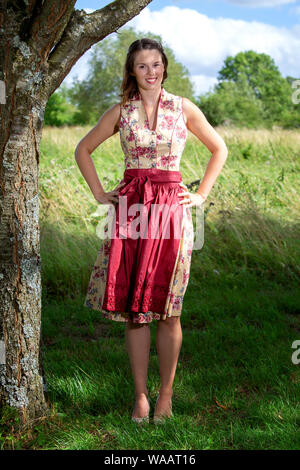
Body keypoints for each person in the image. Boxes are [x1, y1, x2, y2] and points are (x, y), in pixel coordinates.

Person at [75, 38, 228, 424]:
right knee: (136, 312)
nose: (151, 72)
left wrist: (201, 195)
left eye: (156, 64)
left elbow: (219, 148)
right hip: (131, 213)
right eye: (142, 66)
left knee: (169, 310)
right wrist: (98, 192)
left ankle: (166, 395)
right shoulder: (121, 112)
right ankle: (141, 397)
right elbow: (83, 149)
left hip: (172, 212)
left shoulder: (183, 108)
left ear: (165, 67)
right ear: (131, 70)